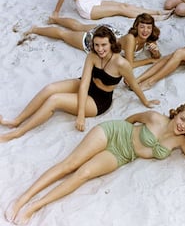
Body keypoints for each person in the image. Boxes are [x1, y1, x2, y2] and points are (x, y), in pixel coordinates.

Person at [5, 102, 185, 225]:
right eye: (182, 118)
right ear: (176, 114)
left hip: (122, 155)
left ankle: (35, 206)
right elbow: (132, 119)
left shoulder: (180, 141)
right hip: (113, 133)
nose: (182, 125)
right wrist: (123, 128)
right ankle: (23, 199)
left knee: (83, 174)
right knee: (70, 164)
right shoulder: (155, 117)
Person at [0, 27, 160, 143]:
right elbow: (84, 83)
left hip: (99, 100)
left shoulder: (121, 63)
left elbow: (133, 84)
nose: (100, 49)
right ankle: (16, 120)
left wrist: (145, 102)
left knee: (55, 100)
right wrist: (81, 113)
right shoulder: (92, 56)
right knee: (50, 89)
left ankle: (18, 132)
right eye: (97, 45)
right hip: (88, 86)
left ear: (111, 43)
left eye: (104, 45)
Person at [24, 13, 161, 69]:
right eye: (142, 27)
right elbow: (129, 64)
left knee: (79, 26)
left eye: (148, 27)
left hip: (110, 32)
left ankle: (55, 19)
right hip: (101, 40)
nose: (145, 31)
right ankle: (36, 29)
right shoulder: (131, 39)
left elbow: (157, 56)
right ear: (136, 27)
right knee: (64, 34)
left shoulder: (149, 37)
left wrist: (155, 53)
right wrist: (149, 60)